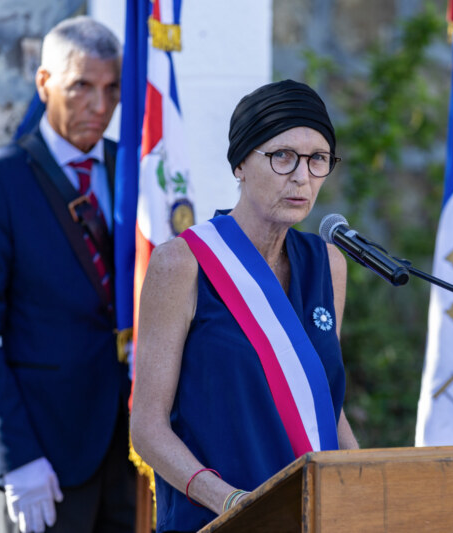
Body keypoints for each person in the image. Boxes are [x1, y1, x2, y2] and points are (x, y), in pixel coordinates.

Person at [130, 79, 359, 532]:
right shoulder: (182, 263)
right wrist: (232, 501)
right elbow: (148, 428)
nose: (302, 177)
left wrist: (367, 488)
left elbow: (322, 403)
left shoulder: (328, 263)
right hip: (218, 519)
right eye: (283, 156)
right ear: (239, 163)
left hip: (309, 517)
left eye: (318, 159)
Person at [0, 16, 135, 533]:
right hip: (44, 457)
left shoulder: (136, 172)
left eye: (112, 87)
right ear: (44, 83)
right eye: (81, 86)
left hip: (131, 453)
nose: (99, 107)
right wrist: (17, 458)